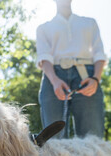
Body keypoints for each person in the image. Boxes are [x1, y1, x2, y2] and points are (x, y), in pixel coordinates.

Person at [36, 0, 106, 138]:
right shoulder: (43, 28)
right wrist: (55, 81)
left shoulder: (89, 23)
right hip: (53, 77)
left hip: (87, 76)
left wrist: (96, 79)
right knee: (53, 140)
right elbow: (43, 57)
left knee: (92, 139)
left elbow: (99, 54)